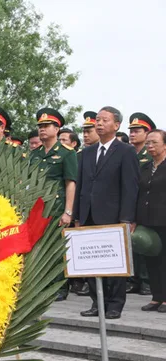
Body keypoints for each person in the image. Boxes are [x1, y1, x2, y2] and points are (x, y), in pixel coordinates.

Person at [74, 106, 139, 319]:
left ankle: (115, 304)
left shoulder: (126, 151)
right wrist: (77, 217)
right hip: (88, 215)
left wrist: (127, 218)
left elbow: (130, 187)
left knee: (114, 262)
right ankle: (97, 302)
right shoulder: (87, 152)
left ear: (116, 125)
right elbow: (81, 185)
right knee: (91, 262)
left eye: (104, 120)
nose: (99, 124)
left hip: (113, 216)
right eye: (97, 120)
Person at [28, 108, 78, 301]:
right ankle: (41, 285)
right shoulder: (35, 154)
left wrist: (68, 211)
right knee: (39, 246)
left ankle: (60, 287)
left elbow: (70, 182)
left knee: (57, 248)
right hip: (37, 208)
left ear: (57, 128)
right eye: (40, 126)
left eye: (46, 126)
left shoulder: (67, 153)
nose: (42, 129)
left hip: (57, 207)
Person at [135, 129, 166, 312]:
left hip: (164, 219)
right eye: (147, 143)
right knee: (151, 259)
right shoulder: (145, 167)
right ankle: (156, 296)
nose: (150, 146)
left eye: (154, 142)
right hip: (147, 220)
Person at [127, 113, 157, 295]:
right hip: (133, 203)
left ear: (147, 133)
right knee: (133, 244)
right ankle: (135, 280)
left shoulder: (150, 154)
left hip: (148, 205)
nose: (132, 134)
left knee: (146, 243)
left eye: (137, 131)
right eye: (131, 131)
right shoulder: (129, 152)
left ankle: (146, 282)